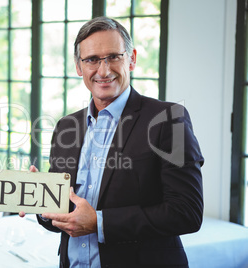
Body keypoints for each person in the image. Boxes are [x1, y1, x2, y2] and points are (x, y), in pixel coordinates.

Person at [21, 16, 204, 268]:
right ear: (79, 67)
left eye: (114, 57)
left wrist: (99, 223)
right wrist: (41, 202)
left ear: (132, 59)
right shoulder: (67, 126)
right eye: (92, 60)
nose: (103, 70)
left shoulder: (169, 119)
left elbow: (187, 213)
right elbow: (65, 214)